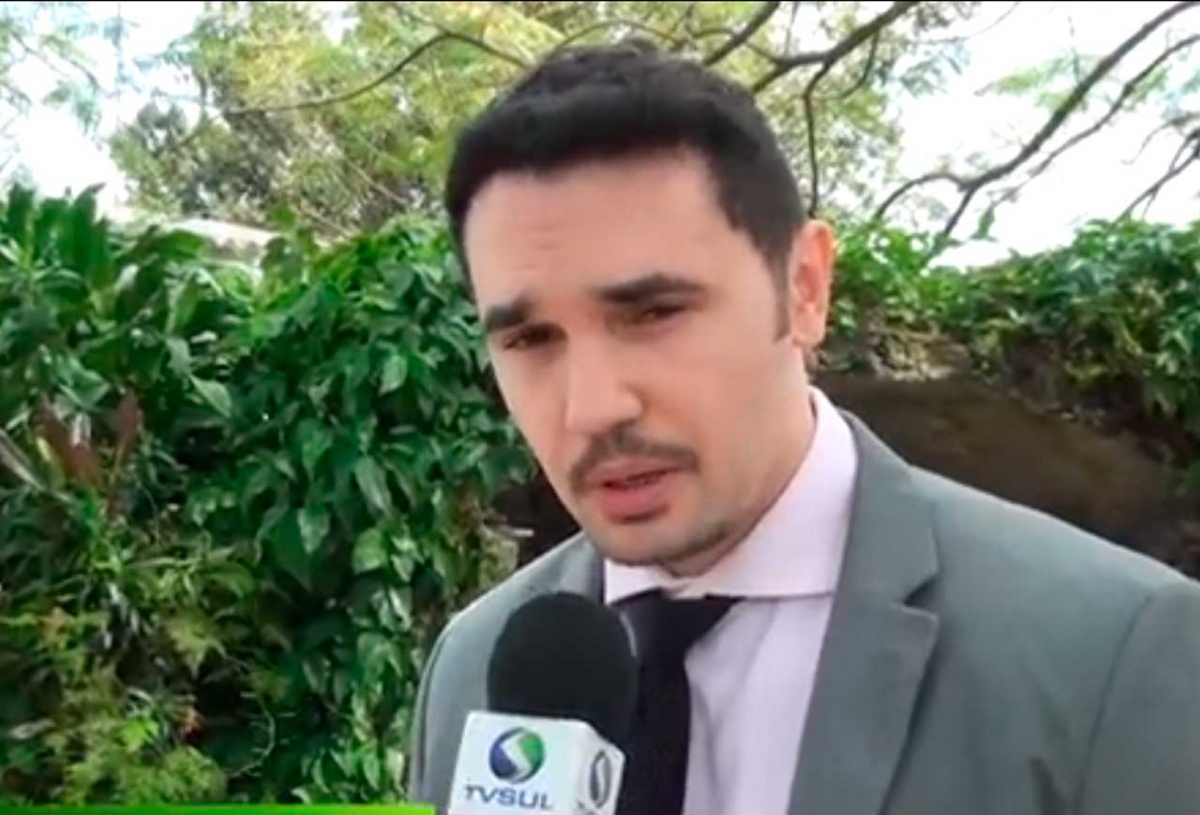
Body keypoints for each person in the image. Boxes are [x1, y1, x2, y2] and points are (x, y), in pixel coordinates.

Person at [407, 40, 1200, 815]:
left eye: (653, 314)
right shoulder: (473, 666)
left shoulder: (1113, 654)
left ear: (806, 287)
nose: (591, 407)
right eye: (530, 339)